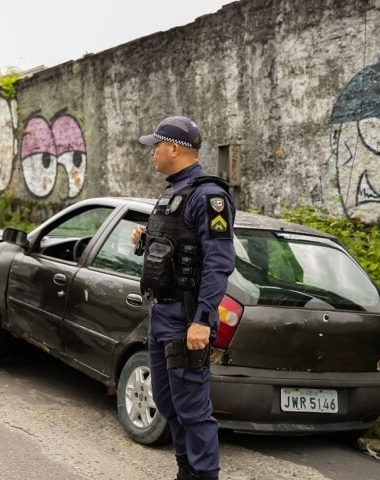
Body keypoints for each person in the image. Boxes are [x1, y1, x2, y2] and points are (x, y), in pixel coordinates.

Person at [130, 116, 235, 480]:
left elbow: (218, 264)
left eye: (155, 146)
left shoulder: (209, 197)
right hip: (161, 315)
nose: (153, 154)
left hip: (186, 318)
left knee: (193, 410)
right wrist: (146, 239)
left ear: (173, 148)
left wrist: (202, 320)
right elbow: (179, 249)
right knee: (169, 403)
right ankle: (185, 472)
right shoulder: (172, 191)